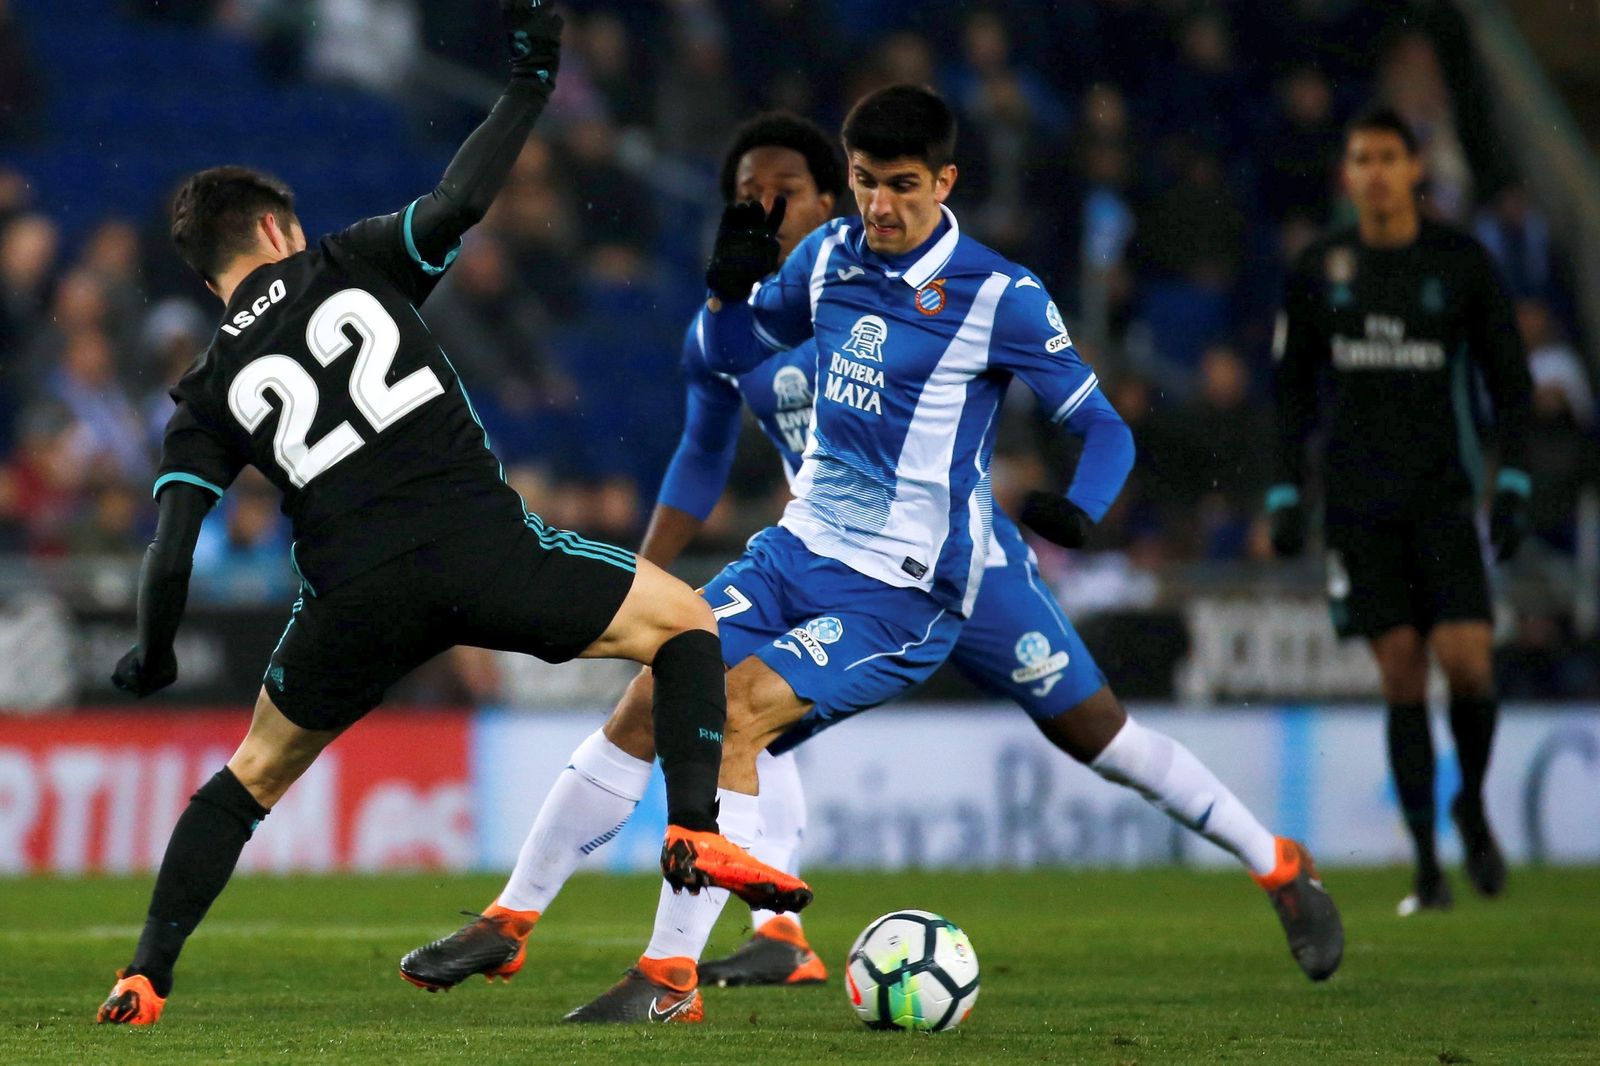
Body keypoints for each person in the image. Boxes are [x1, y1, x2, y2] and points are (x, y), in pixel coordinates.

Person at [403, 90, 1342, 1024]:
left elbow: (1105, 428)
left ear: (945, 181)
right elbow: (734, 350)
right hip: (796, 552)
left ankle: (1276, 863)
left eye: (900, 185)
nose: (879, 205)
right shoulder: (827, 256)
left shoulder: (999, 296)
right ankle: (511, 919)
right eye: (865, 183)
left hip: (915, 586)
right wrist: (727, 292)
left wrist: (1080, 508)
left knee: (1090, 734)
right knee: (657, 691)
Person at [94, 1, 806, 1028]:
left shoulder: (204, 390)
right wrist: (530, 81)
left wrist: (154, 652)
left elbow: (170, 551)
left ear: (209, 276)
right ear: (279, 230)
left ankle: (145, 975)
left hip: (356, 595)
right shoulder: (347, 261)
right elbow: (462, 198)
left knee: (249, 779)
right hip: (480, 547)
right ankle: (693, 828)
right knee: (686, 624)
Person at [1268, 107, 1533, 915]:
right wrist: (1285, 491)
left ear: (1416, 168)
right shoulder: (1320, 268)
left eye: (1389, 157)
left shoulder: (1460, 262)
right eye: (1362, 158)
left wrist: (1514, 480)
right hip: (1358, 505)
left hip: (1443, 495)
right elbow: (1291, 391)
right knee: (1400, 669)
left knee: (1468, 659)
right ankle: (1426, 867)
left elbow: (1510, 378)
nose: (1376, 172)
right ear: (1347, 174)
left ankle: (1471, 804)